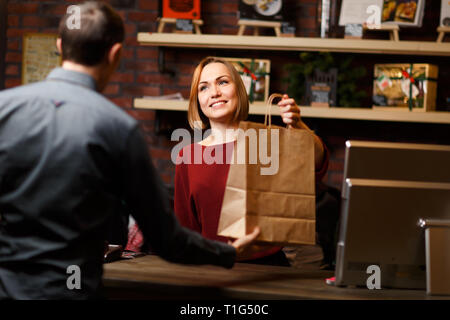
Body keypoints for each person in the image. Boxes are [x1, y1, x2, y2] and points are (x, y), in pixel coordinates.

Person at [0, 2, 259, 300]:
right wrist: (227, 253)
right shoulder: (118, 128)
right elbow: (166, 239)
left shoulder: (4, 109)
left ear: (60, 47)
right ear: (116, 54)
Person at [174, 57, 329, 266]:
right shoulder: (188, 156)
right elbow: (186, 230)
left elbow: (317, 161)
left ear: (238, 90)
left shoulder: (267, 139)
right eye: (204, 87)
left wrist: (298, 126)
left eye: (223, 82)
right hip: (215, 266)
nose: (214, 93)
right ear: (197, 101)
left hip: (273, 265)